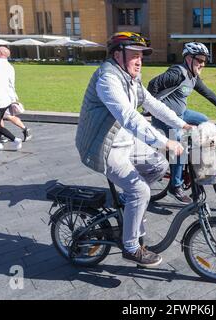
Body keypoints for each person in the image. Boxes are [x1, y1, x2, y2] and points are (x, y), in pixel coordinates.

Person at [75, 32, 193, 267]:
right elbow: (129, 117)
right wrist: (163, 141)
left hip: (123, 139)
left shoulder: (130, 78)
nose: (140, 60)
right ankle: (130, 247)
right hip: (102, 145)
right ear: (118, 55)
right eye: (134, 55)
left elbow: (153, 104)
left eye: (142, 55)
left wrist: (181, 124)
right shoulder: (108, 78)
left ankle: (131, 205)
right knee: (140, 191)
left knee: (159, 165)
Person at [147, 42, 216, 203]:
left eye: (205, 61)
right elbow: (153, 84)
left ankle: (199, 166)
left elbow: (208, 93)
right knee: (180, 144)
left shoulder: (193, 77)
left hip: (182, 114)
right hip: (165, 116)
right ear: (189, 58)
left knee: (205, 122)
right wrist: (150, 108)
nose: (202, 64)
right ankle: (175, 186)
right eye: (199, 60)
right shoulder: (177, 73)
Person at [0, 46, 32, 142]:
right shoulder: (9, 66)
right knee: (3, 116)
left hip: (0, 94)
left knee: (2, 116)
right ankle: (23, 130)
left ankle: (22, 130)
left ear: (1, 53)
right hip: (9, 93)